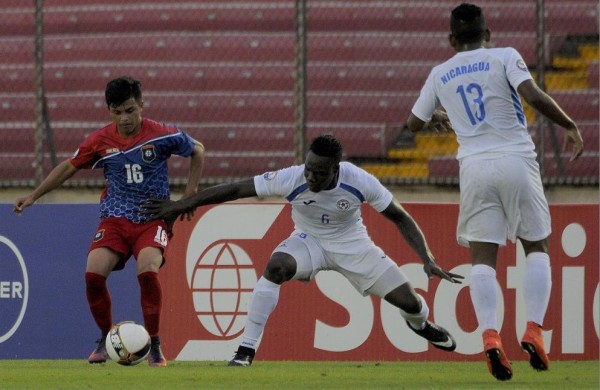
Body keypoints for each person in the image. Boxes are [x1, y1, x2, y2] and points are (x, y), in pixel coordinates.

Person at [141, 134, 464, 367]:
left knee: (410, 303)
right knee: (276, 266)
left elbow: (399, 216)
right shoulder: (292, 177)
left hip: (353, 246)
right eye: (309, 168)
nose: (310, 176)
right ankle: (245, 350)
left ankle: (420, 323)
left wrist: (427, 258)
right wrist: (183, 204)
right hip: (309, 241)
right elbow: (236, 189)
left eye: (319, 173)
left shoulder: (359, 180)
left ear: (336, 169)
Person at [406, 3, 584, 381]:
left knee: (483, 259)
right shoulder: (505, 56)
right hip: (516, 160)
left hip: (473, 169)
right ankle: (533, 329)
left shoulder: (440, 73)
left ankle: (490, 335)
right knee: (535, 246)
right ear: (488, 34)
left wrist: (437, 116)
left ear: (451, 39)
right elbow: (532, 95)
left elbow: (413, 124)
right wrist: (569, 124)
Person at [13, 76, 205, 367]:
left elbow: (197, 149)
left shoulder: (161, 135)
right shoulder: (100, 140)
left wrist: (189, 195)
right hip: (114, 219)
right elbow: (68, 167)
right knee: (93, 274)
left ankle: (154, 343)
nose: (125, 118)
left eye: (130, 110)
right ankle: (104, 338)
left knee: (148, 270)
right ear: (109, 112)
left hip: (153, 217)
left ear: (141, 105)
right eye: (117, 112)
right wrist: (34, 196)